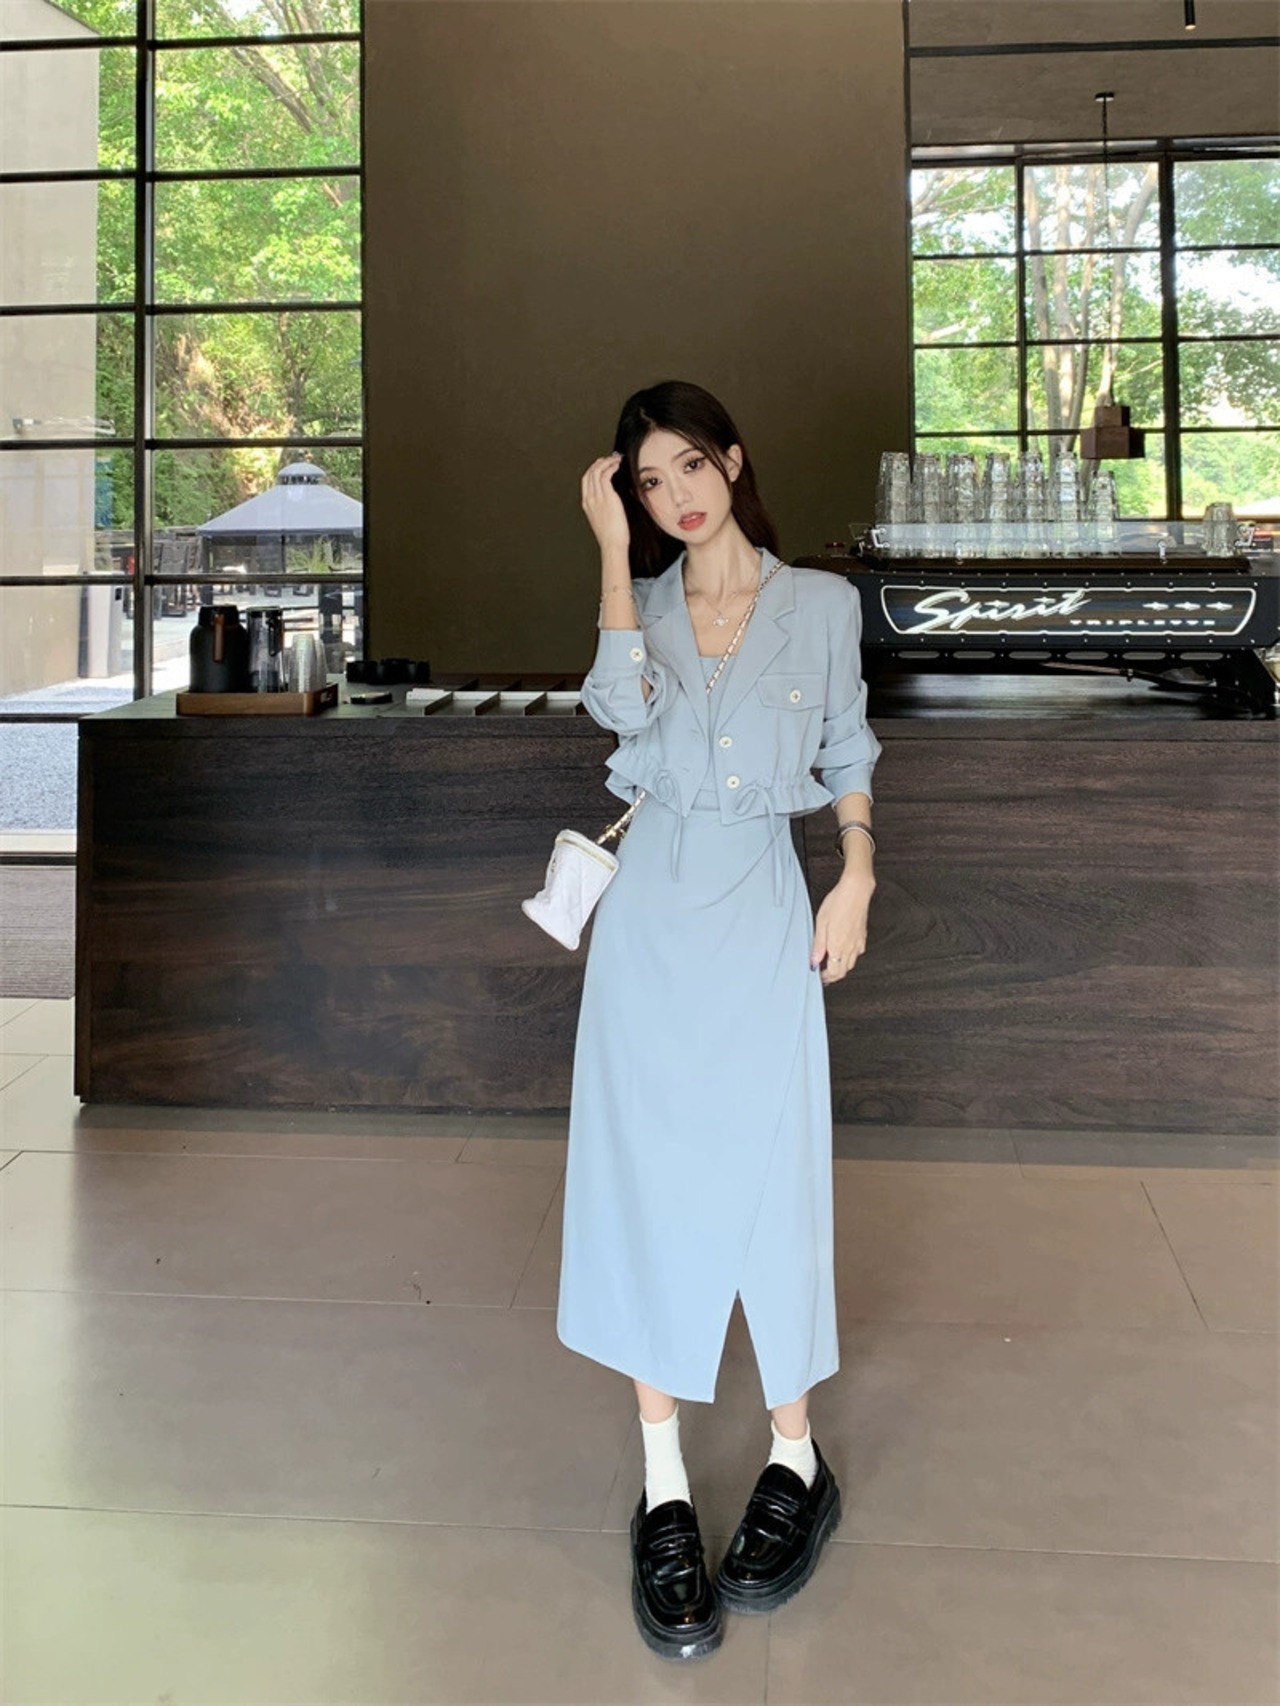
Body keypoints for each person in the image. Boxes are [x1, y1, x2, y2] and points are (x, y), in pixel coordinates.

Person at [557, 380, 882, 1661]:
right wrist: (608, 557)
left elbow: (846, 750)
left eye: (689, 464)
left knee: (770, 1179)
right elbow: (617, 711)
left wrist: (855, 873)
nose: (675, 495)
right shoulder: (637, 606)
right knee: (645, 1182)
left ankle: (796, 1457)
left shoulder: (822, 607)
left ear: (733, 461)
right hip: (647, 917)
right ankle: (663, 1485)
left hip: (760, 902)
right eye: (649, 482)